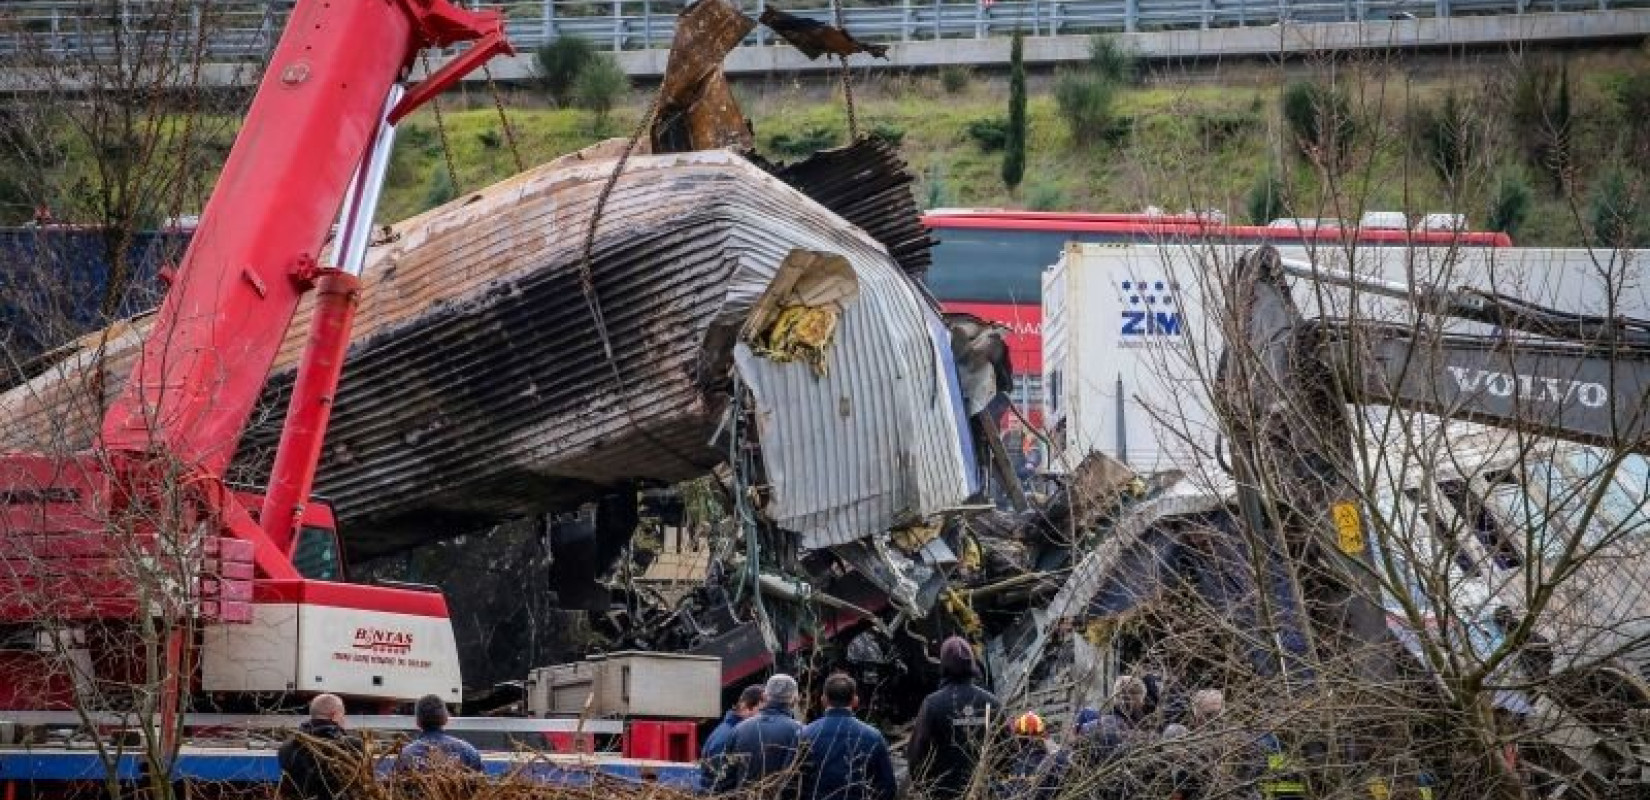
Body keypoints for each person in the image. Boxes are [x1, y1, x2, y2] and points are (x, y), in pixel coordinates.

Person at [907, 636, 1003, 800]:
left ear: (943, 663)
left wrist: (924, 788)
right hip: (985, 791)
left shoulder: (932, 705)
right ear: (971, 663)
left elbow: (916, 754)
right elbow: (1007, 749)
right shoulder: (991, 702)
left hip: (943, 793)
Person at [798, 673, 896, 800]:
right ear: (855, 701)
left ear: (823, 700)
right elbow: (888, 786)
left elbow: (791, 782)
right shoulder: (873, 737)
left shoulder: (805, 734)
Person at [713, 673, 805, 794]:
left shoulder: (739, 729)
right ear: (795, 699)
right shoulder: (801, 731)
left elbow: (725, 779)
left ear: (765, 696)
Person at [278, 694, 367, 800]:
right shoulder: (351, 745)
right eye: (343, 714)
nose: (344, 719)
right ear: (335, 715)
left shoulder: (286, 747)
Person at [393, 694, 482, 774]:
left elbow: (395, 786)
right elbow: (482, 784)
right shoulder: (468, 751)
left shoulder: (405, 755)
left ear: (417, 722)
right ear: (446, 719)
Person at [701, 684, 766, 790]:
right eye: (762, 711)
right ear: (746, 707)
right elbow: (719, 781)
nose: (765, 716)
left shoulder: (730, 729)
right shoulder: (727, 736)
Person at [992, 712, 1066, 800]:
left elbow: (1014, 792)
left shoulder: (1026, 762)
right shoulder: (1060, 756)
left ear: (1022, 738)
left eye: (1017, 735)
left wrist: (994, 787)